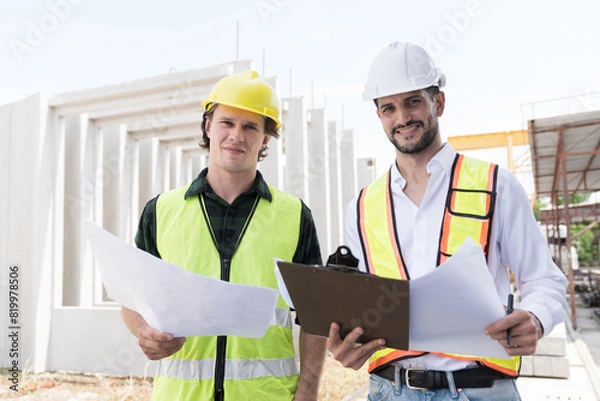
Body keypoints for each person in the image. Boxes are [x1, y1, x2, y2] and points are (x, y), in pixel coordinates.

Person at [327, 42, 568, 400]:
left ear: (438, 102)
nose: (403, 118)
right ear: (379, 117)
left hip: (479, 390)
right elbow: (361, 305)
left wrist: (536, 317)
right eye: (389, 108)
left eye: (413, 102)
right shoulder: (362, 206)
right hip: (389, 390)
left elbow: (545, 280)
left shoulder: (496, 186)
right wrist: (345, 343)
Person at [121, 70, 327, 401]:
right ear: (207, 125)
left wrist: (308, 391)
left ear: (265, 139)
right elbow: (132, 298)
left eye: (250, 127)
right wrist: (144, 332)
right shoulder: (160, 211)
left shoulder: (294, 216)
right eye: (227, 123)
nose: (237, 135)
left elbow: (316, 316)